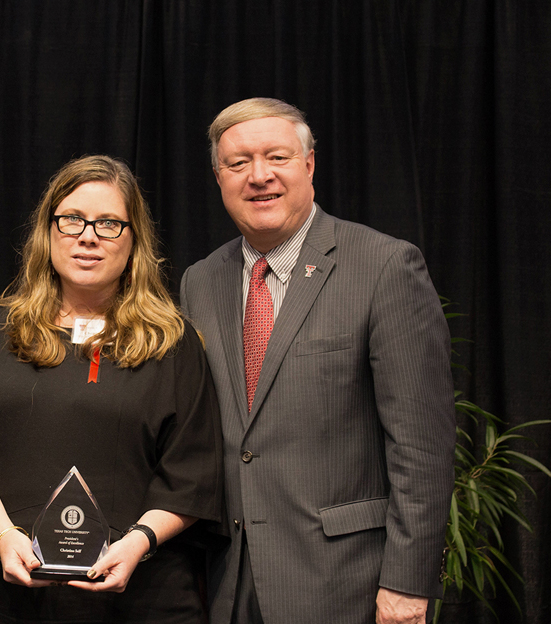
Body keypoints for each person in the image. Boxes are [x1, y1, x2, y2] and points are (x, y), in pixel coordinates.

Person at [179, 98, 455, 624]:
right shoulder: (201, 281)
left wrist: (407, 585)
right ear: (218, 177)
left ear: (308, 165)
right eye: (238, 163)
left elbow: (421, 446)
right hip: (224, 581)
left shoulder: (384, 266)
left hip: (346, 584)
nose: (259, 176)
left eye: (277, 157)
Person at [0, 155, 223, 623]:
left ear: (134, 239)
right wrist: (4, 537)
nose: (88, 236)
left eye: (108, 223)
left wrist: (137, 543)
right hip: (11, 598)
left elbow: (193, 475)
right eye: (72, 220)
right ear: (48, 232)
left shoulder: (173, 344)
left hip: (144, 598)